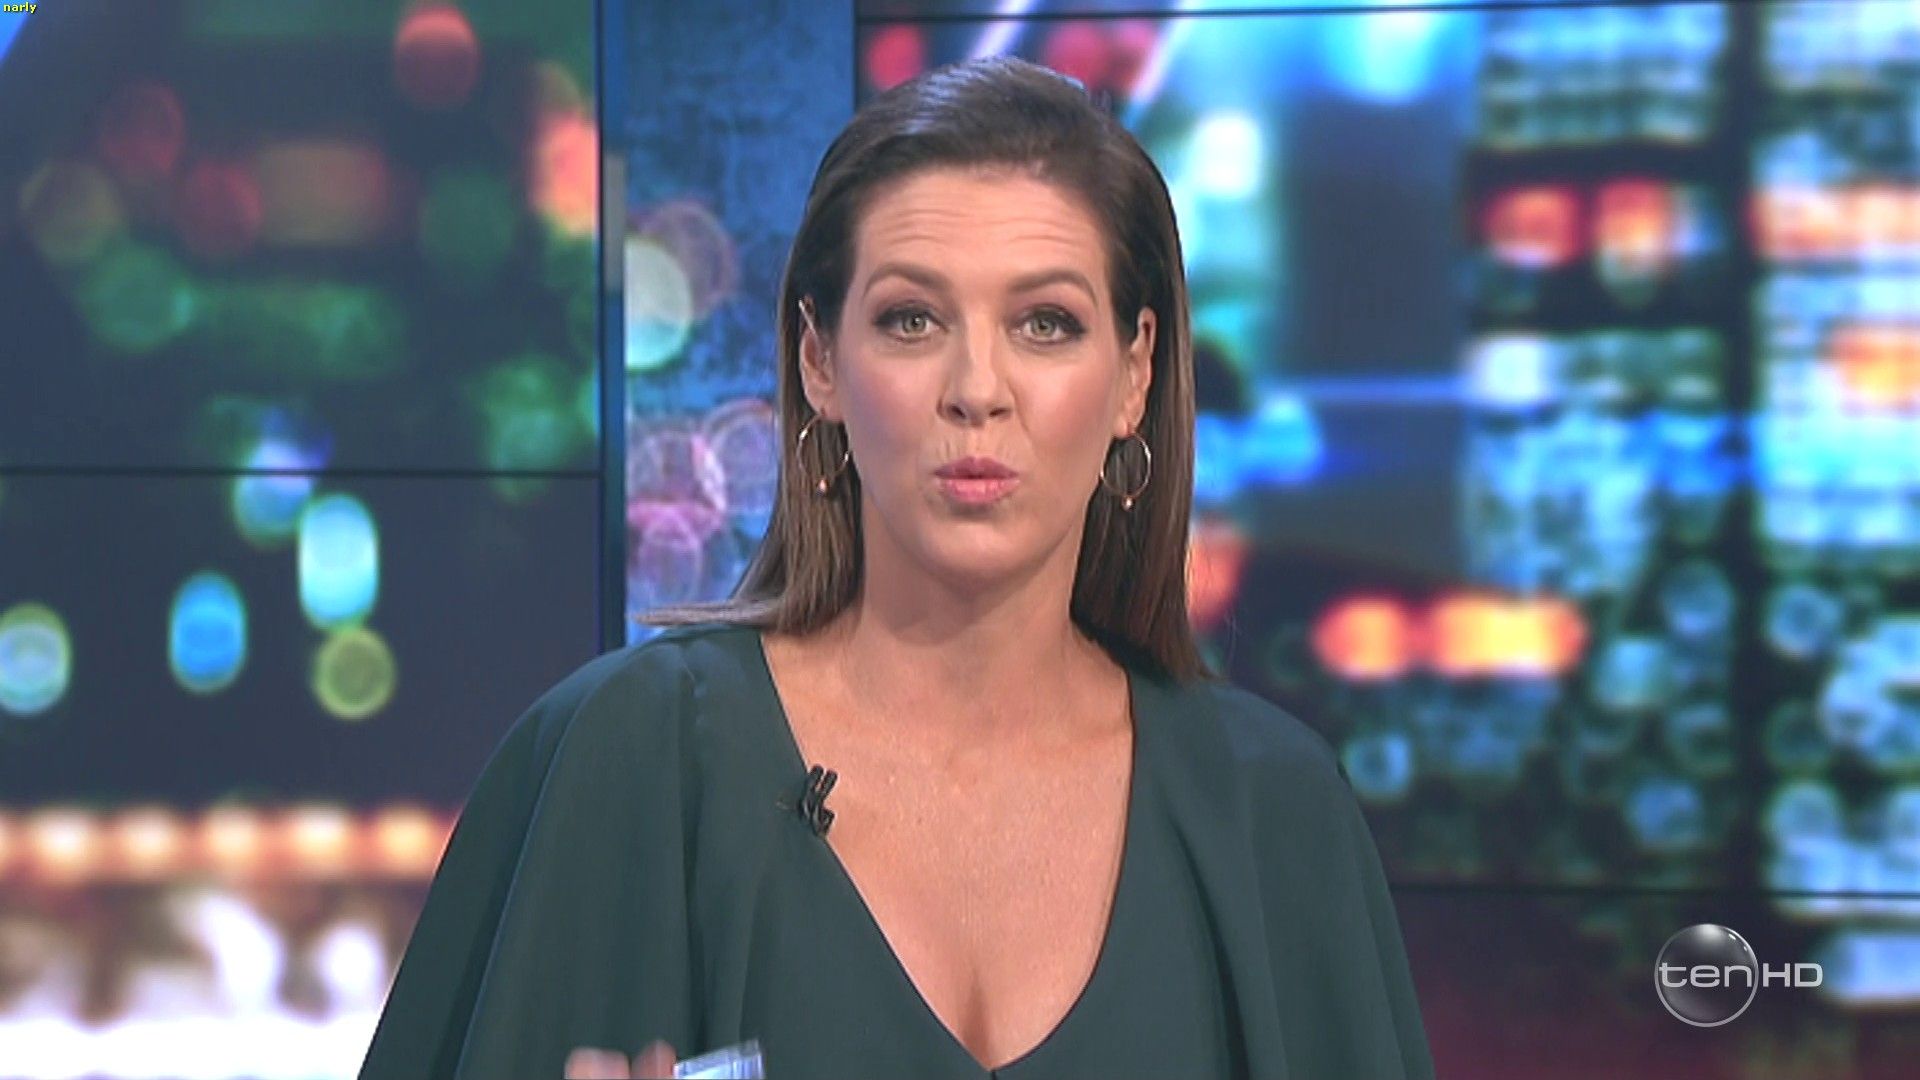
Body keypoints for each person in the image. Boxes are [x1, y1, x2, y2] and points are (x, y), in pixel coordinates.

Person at [358, 56, 1434, 1080]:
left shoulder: (1273, 815)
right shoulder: (631, 760)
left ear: (1135, 373)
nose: (978, 389)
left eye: (1046, 324)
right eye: (912, 320)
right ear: (820, 359)